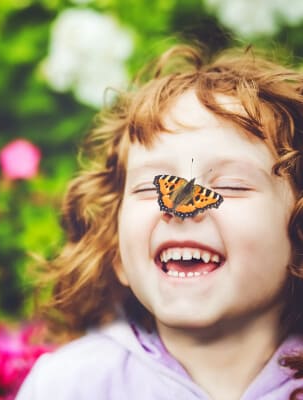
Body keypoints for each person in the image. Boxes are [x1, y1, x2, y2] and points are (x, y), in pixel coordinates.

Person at [16, 44, 303, 400]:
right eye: (154, 187)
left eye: (230, 185)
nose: (181, 208)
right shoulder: (70, 385)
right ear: (116, 249)